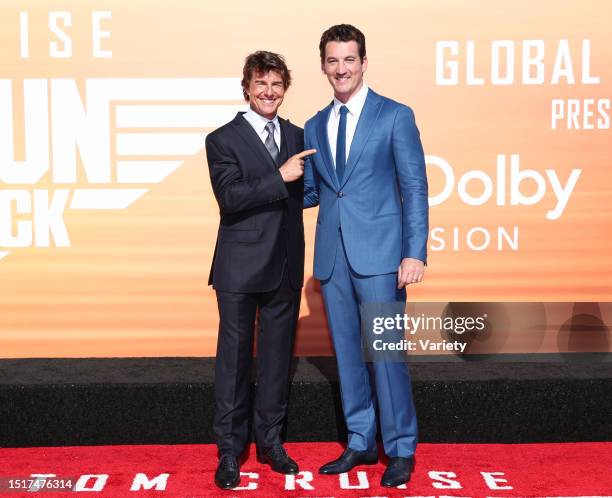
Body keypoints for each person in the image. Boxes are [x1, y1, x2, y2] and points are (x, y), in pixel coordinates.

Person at [303, 24, 429, 487]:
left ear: (363, 62)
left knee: (386, 357)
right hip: (333, 259)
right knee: (348, 358)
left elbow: (415, 187)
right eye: (332, 61)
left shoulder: (394, 115)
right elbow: (316, 191)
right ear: (323, 66)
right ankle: (359, 441)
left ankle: (399, 449)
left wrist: (414, 252)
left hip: (381, 259)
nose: (341, 69)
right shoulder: (315, 124)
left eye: (349, 60)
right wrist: (272, 178)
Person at [205, 50, 315, 490]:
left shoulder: (297, 134)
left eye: (277, 84)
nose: (269, 92)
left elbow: (303, 193)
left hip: (285, 263)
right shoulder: (222, 138)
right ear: (247, 88)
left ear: (284, 88)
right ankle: (230, 451)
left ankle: (271, 443)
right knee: (233, 363)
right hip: (238, 267)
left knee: (275, 362)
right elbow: (230, 198)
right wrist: (281, 175)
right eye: (261, 84)